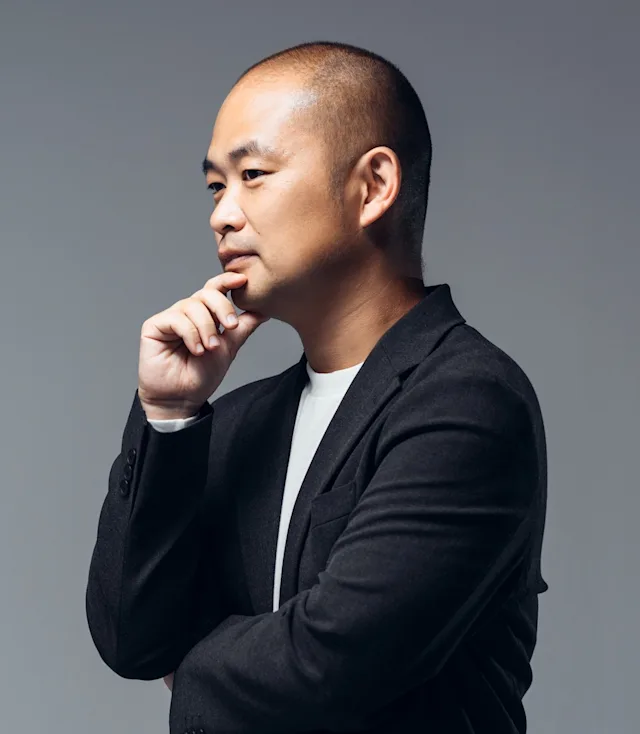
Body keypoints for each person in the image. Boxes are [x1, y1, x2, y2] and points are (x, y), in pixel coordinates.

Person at [85, 40, 549, 734]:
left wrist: (194, 665)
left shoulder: (468, 402)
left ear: (373, 186)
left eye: (252, 174)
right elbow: (132, 640)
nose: (222, 214)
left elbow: (332, 662)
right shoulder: (240, 421)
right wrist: (170, 414)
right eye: (216, 186)